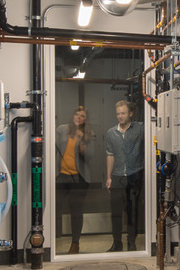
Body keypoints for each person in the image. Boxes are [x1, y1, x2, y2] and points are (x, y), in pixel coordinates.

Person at [104, 99, 145, 252]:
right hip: (117, 176)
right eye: (118, 114)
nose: (120, 116)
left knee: (132, 212)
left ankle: (131, 242)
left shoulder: (140, 129)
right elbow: (110, 155)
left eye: (123, 113)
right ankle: (117, 243)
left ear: (130, 114)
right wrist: (108, 178)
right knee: (115, 213)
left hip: (135, 175)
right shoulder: (111, 133)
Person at [55, 106, 94, 255]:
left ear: (85, 119)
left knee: (76, 211)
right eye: (77, 114)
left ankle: (75, 243)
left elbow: (90, 155)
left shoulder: (88, 134)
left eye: (82, 116)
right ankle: (53, 239)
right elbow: (56, 147)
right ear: (73, 116)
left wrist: (80, 140)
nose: (79, 117)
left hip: (79, 178)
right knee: (55, 207)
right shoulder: (61, 129)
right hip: (61, 176)